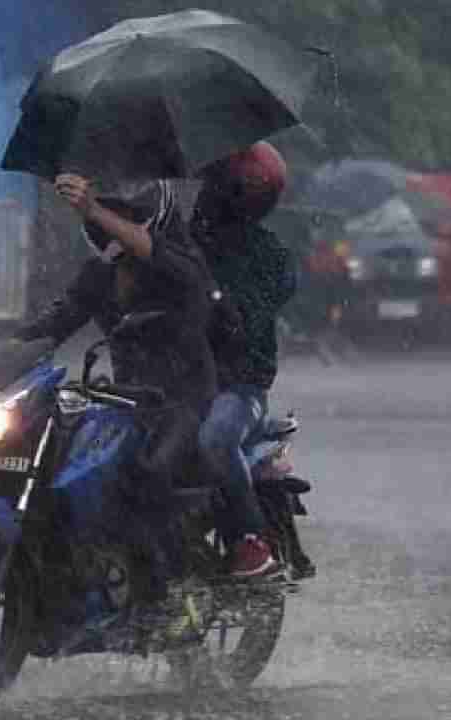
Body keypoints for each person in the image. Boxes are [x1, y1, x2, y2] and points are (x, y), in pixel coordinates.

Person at [14, 172, 218, 591]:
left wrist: (93, 209)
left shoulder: (184, 264)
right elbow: (57, 321)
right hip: (123, 400)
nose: (107, 224)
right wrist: (0, 350)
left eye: (122, 215)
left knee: (147, 470)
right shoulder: (100, 273)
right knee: (53, 461)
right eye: (103, 213)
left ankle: (166, 589)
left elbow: (166, 261)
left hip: (179, 399)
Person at [192, 141, 311, 578]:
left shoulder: (270, 257)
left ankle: (250, 541)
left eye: (216, 185)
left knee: (215, 440)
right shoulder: (190, 241)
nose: (205, 194)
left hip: (239, 389)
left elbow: (251, 311)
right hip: (179, 381)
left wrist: (224, 306)